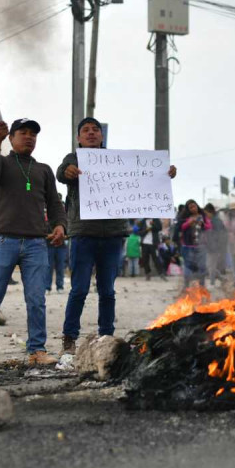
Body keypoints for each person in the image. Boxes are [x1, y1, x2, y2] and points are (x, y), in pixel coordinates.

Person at [56, 117, 177, 354]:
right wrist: (67, 171)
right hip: (83, 234)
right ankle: (69, 338)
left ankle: (106, 336)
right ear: (78, 138)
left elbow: (148, 178)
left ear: (102, 136)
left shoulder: (117, 161)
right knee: (79, 289)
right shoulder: (74, 159)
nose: (91, 133)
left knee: (108, 291)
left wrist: (165, 173)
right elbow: (61, 173)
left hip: (112, 236)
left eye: (95, 130)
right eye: (85, 131)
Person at [0, 119, 67, 365]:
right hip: (3, 240)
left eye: (33, 134)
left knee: (36, 299)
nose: (29, 137)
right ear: (11, 138)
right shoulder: (1, 163)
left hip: (36, 243)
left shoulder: (44, 170)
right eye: (23, 133)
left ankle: (37, 349)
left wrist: (60, 225)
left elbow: (55, 203)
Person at [180, 199, 211, 289]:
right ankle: (186, 287)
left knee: (202, 267)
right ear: (188, 209)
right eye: (190, 207)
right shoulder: (184, 218)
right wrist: (189, 223)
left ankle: (202, 287)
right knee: (187, 268)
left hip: (201, 246)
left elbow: (209, 227)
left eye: (194, 206)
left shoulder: (203, 217)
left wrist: (203, 225)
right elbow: (180, 227)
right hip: (188, 246)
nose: (193, 208)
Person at [203, 203, 228, 287]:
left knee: (211, 266)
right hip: (210, 247)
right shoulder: (209, 221)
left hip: (215, 247)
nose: (205, 215)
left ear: (211, 212)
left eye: (206, 213)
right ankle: (220, 278)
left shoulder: (216, 221)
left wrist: (218, 247)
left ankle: (212, 283)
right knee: (210, 265)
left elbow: (221, 235)